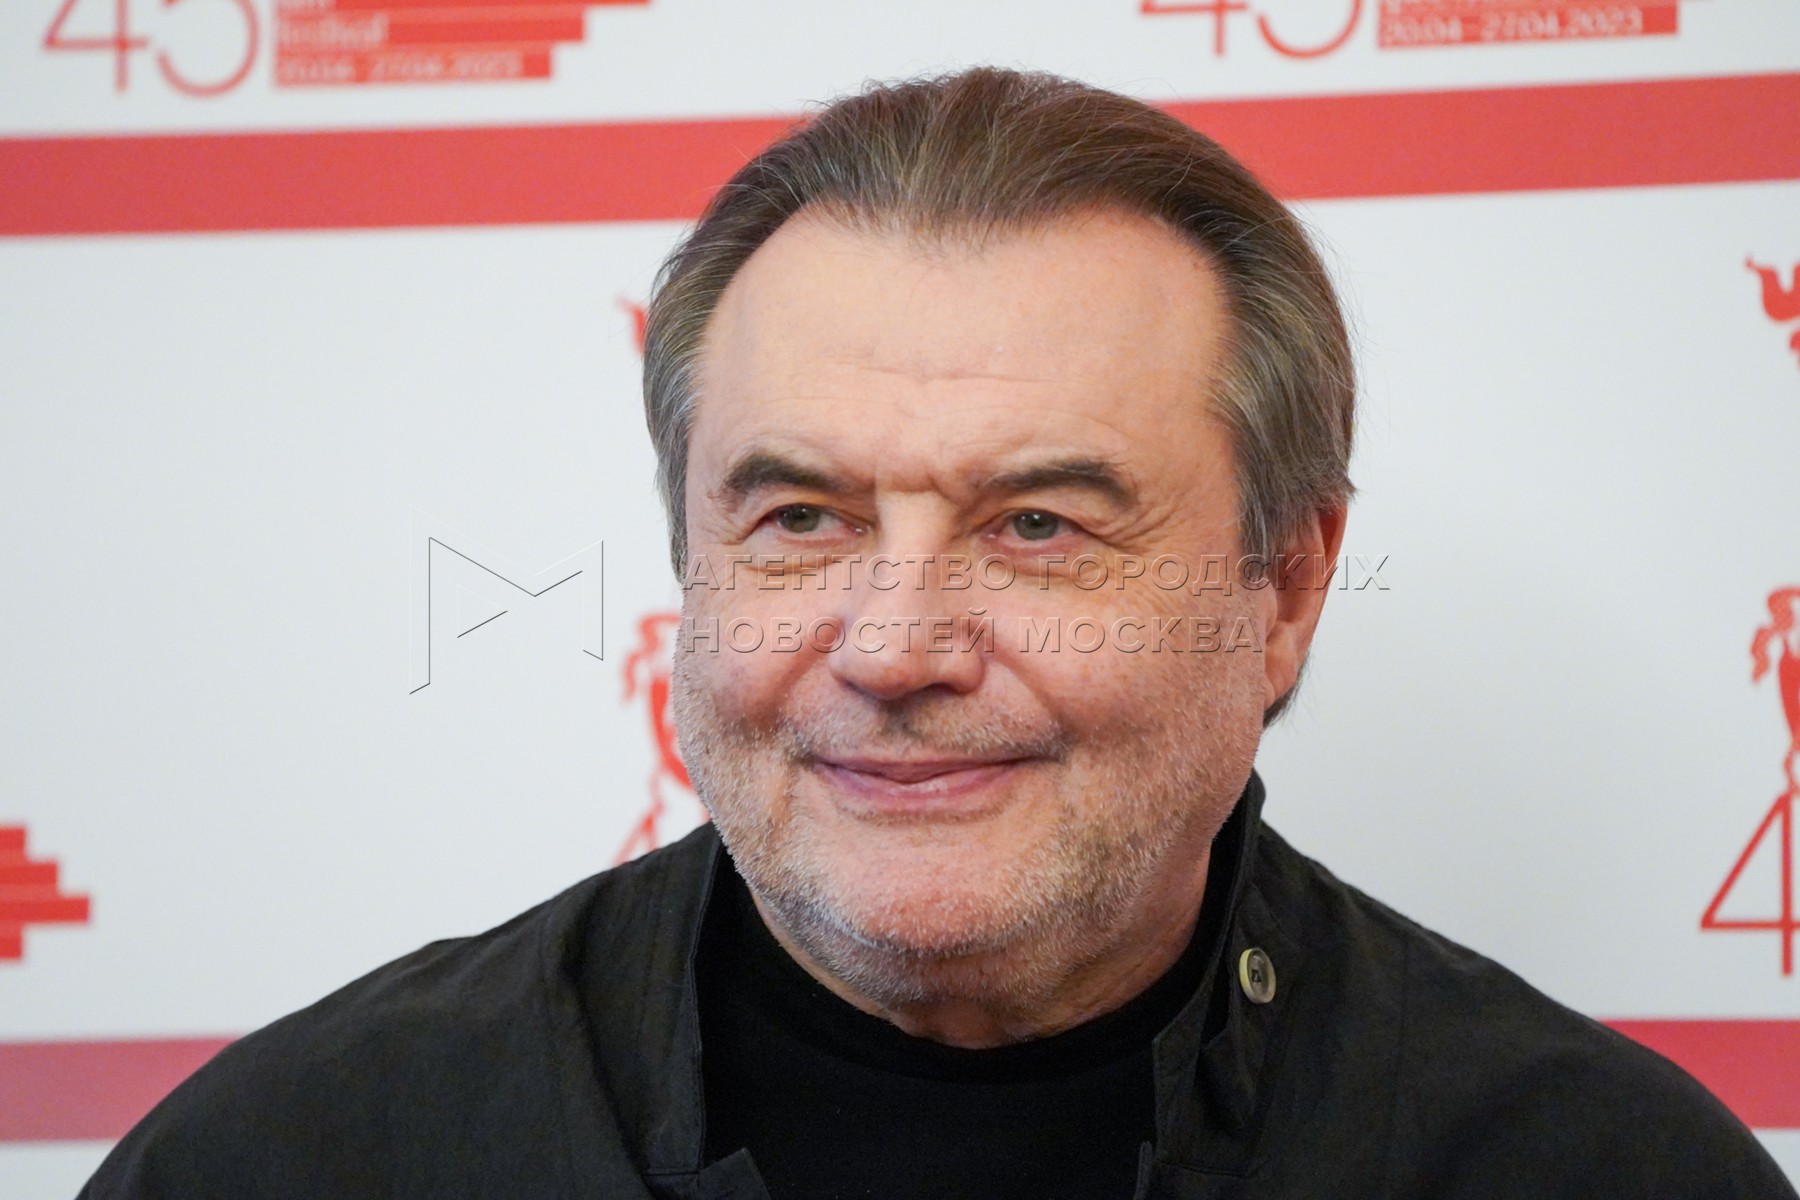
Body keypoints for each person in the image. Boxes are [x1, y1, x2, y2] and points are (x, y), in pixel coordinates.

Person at [83, 67, 1793, 1200]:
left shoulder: (1598, 1173)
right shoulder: (299, 1161)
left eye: (1038, 524)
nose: (895, 649)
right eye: (801, 519)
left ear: (1282, 589)